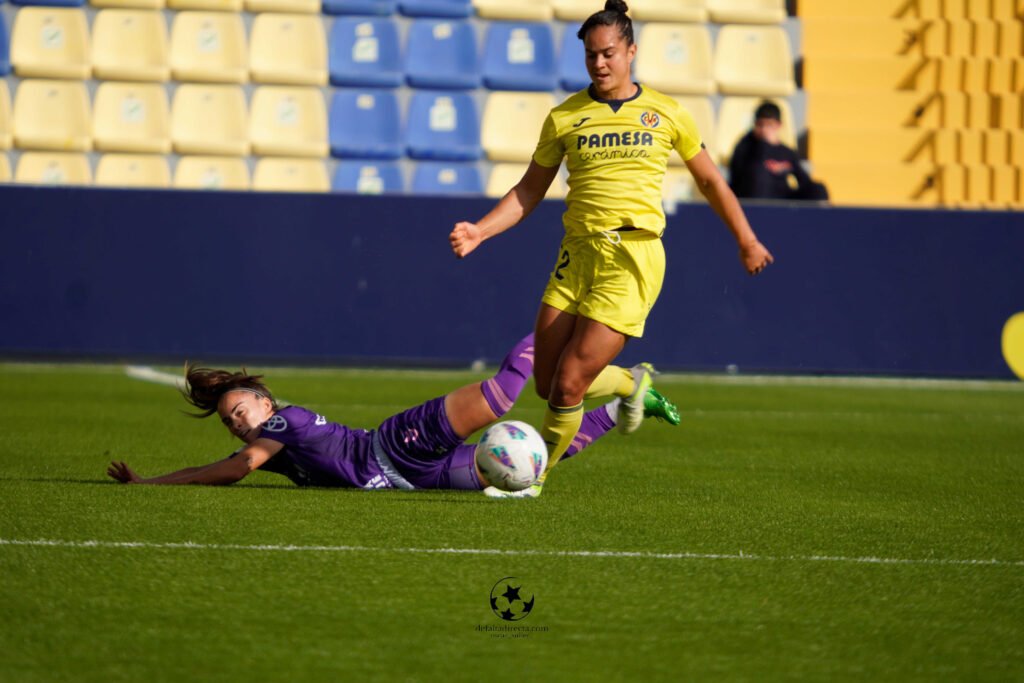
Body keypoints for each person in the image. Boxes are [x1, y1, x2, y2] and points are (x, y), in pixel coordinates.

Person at [448, 0, 773, 498]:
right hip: (576, 255)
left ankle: (530, 480)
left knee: (571, 383)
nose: (599, 64)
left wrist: (746, 239)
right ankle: (628, 384)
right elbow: (529, 190)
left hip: (632, 256)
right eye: (591, 56)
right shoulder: (565, 117)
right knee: (547, 384)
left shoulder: (666, 112)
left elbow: (709, 180)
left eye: (608, 53)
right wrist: (480, 231)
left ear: (631, 52)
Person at [106, 334, 681, 493]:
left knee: (505, 394)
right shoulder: (275, 438)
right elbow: (239, 461)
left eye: (238, 411)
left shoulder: (282, 424)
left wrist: (155, 483)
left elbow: (235, 469)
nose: (237, 422)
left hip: (398, 446)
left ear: (264, 400)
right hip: (410, 478)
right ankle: (629, 406)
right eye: (230, 419)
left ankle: (556, 331)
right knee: (523, 467)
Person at [728, 101, 829, 201]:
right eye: (760, 125)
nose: (764, 129)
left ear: (778, 125)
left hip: (780, 197)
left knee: (818, 189)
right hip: (752, 196)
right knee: (759, 175)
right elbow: (738, 177)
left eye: (769, 125)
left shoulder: (786, 152)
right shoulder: (746, 146)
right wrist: (764, 145)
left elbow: (804, 180)